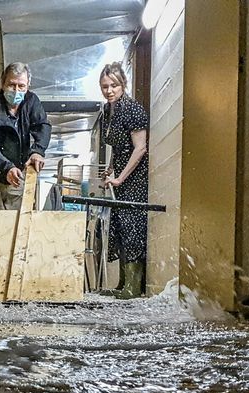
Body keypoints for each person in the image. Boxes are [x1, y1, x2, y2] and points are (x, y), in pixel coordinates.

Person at [0, 62, 51, 210]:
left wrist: (38, 151)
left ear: (28, 86)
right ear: (2, 83)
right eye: (12, 85)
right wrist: (6, 168)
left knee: (16, 218)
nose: (16, 90)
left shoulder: (31, 101)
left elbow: (42, 126)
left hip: (16, 170)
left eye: (21, 86)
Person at [99, 62, 149, 299]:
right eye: (105, 86)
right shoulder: (108, 111)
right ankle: (122, 282)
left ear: (123, 85)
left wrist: (121, 177)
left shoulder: (132, 109)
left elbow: (140, 148)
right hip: (119, 175)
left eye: (114, 86)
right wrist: (110, 169)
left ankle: (133, 285)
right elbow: (117, 147)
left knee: (133, 227)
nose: (109, 90)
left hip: (135, 178)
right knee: (120, 226)